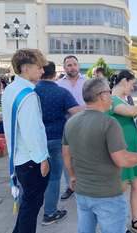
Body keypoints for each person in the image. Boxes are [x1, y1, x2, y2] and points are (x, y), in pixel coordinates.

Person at [62, 77, 137, 233]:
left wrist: (73, 176)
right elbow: (122, 159)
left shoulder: (71, 122)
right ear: (102, 95)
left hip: (82, 193)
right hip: (108, 195)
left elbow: (66, 155)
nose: (111, 96)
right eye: (109, 92)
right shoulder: (109, 122)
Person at [2, 48, 50, 233]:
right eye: (39, 67)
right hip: (31, 161)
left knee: (27, 206)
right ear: (25, 69)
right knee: (30, 208)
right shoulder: (28, 94)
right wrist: (43, 160)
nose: (42, 71)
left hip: (19, 158)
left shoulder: (11, 89)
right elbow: (32, 132)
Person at [34, 61, 83, 225]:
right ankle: (49, 213)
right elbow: (76, 112)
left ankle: (27, 209)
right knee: (54, 178)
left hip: (34, 140)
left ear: (40, 72)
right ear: (55, 74)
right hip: (56, 139)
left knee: (31, 178)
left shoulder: (31, 92)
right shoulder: (62, 92)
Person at [107, 71, 137, 233]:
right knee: (121, 188)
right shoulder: (110, 99)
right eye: (132, 84)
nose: (133, 88)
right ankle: (119, 225)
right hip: (122, 150)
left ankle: (136, 220)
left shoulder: (125, 98)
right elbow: (130, 112)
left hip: (134, 147)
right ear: (124, 81)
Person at [56, 55, 90, 201]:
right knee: (67, 156)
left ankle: (87, 185)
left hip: (86, 124)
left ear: (78, 66)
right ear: (64, 67)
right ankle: (70, 186)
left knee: (86, 155)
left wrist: (79, 109)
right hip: (66, 126)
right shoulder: (58, 84)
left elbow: (94, 100)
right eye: (69, 65)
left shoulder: (88, 82)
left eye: (75, 64)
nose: (72, 67)